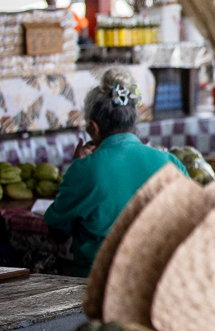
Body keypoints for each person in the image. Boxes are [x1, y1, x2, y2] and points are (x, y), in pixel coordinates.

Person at [44, 69, 187, 277]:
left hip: (96, 289)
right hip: (156, 283)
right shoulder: (170, 164)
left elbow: (57, 232)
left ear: (94, 128)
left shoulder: (85, 170)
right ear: (133, 123)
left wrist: (78, 168)